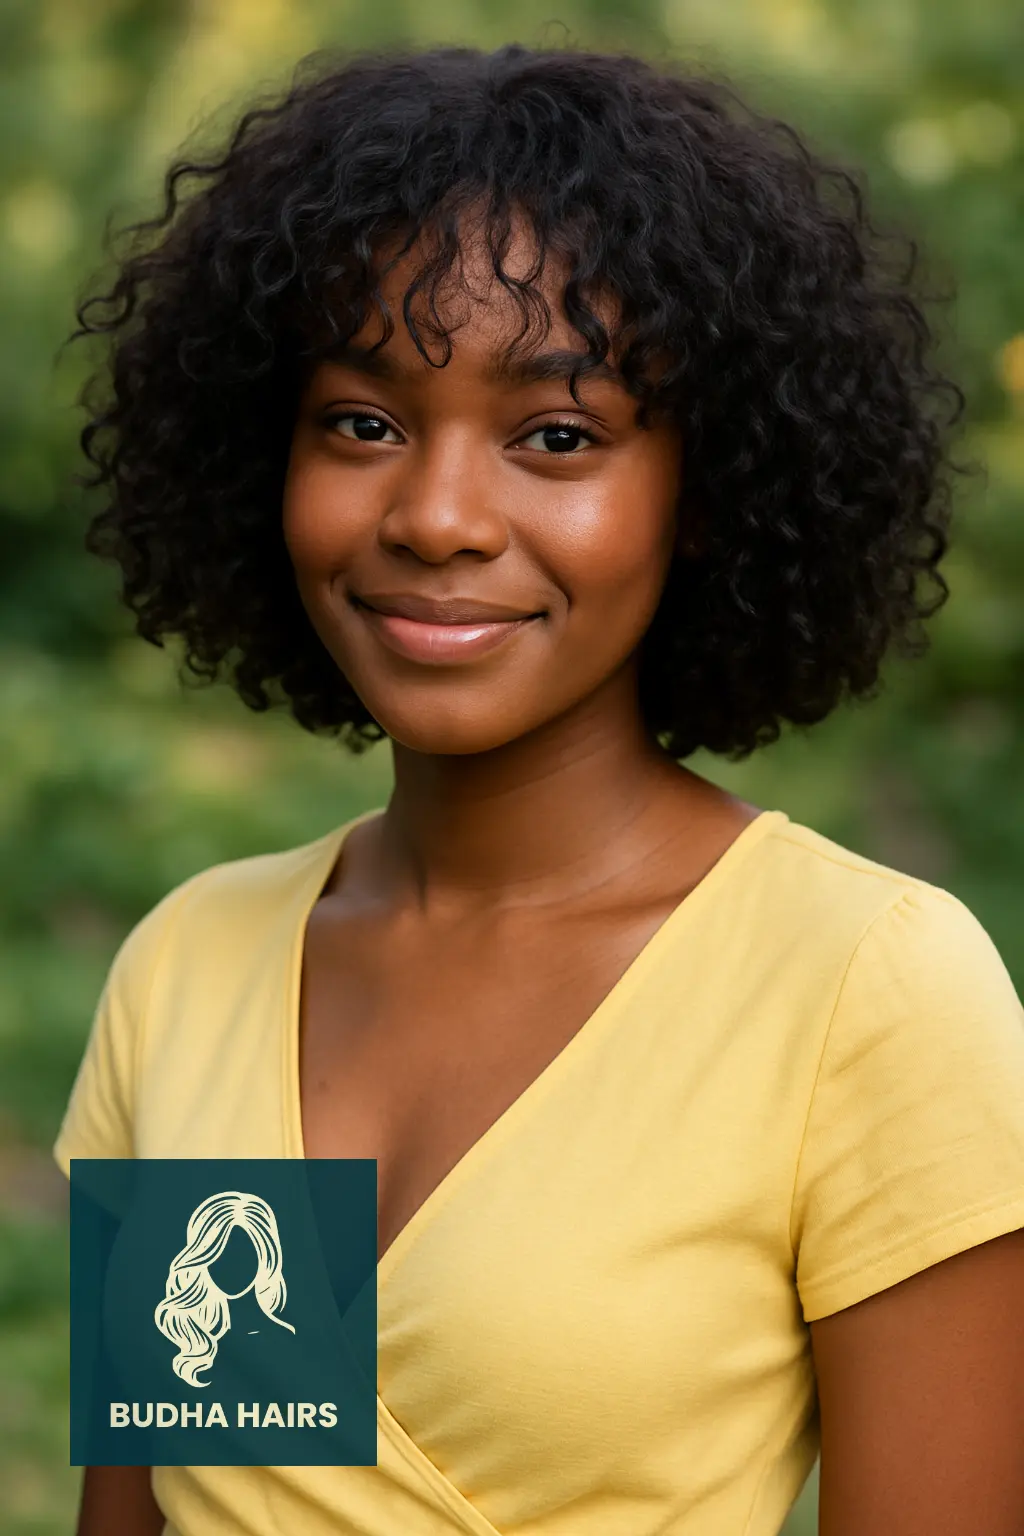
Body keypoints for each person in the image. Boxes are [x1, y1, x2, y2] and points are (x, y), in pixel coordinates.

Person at [55, 40, 1024, 1536]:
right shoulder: (192, 962)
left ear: (709, 493)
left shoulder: (860, 992)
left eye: (558, 436)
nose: (437, 516)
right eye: (362, 423)